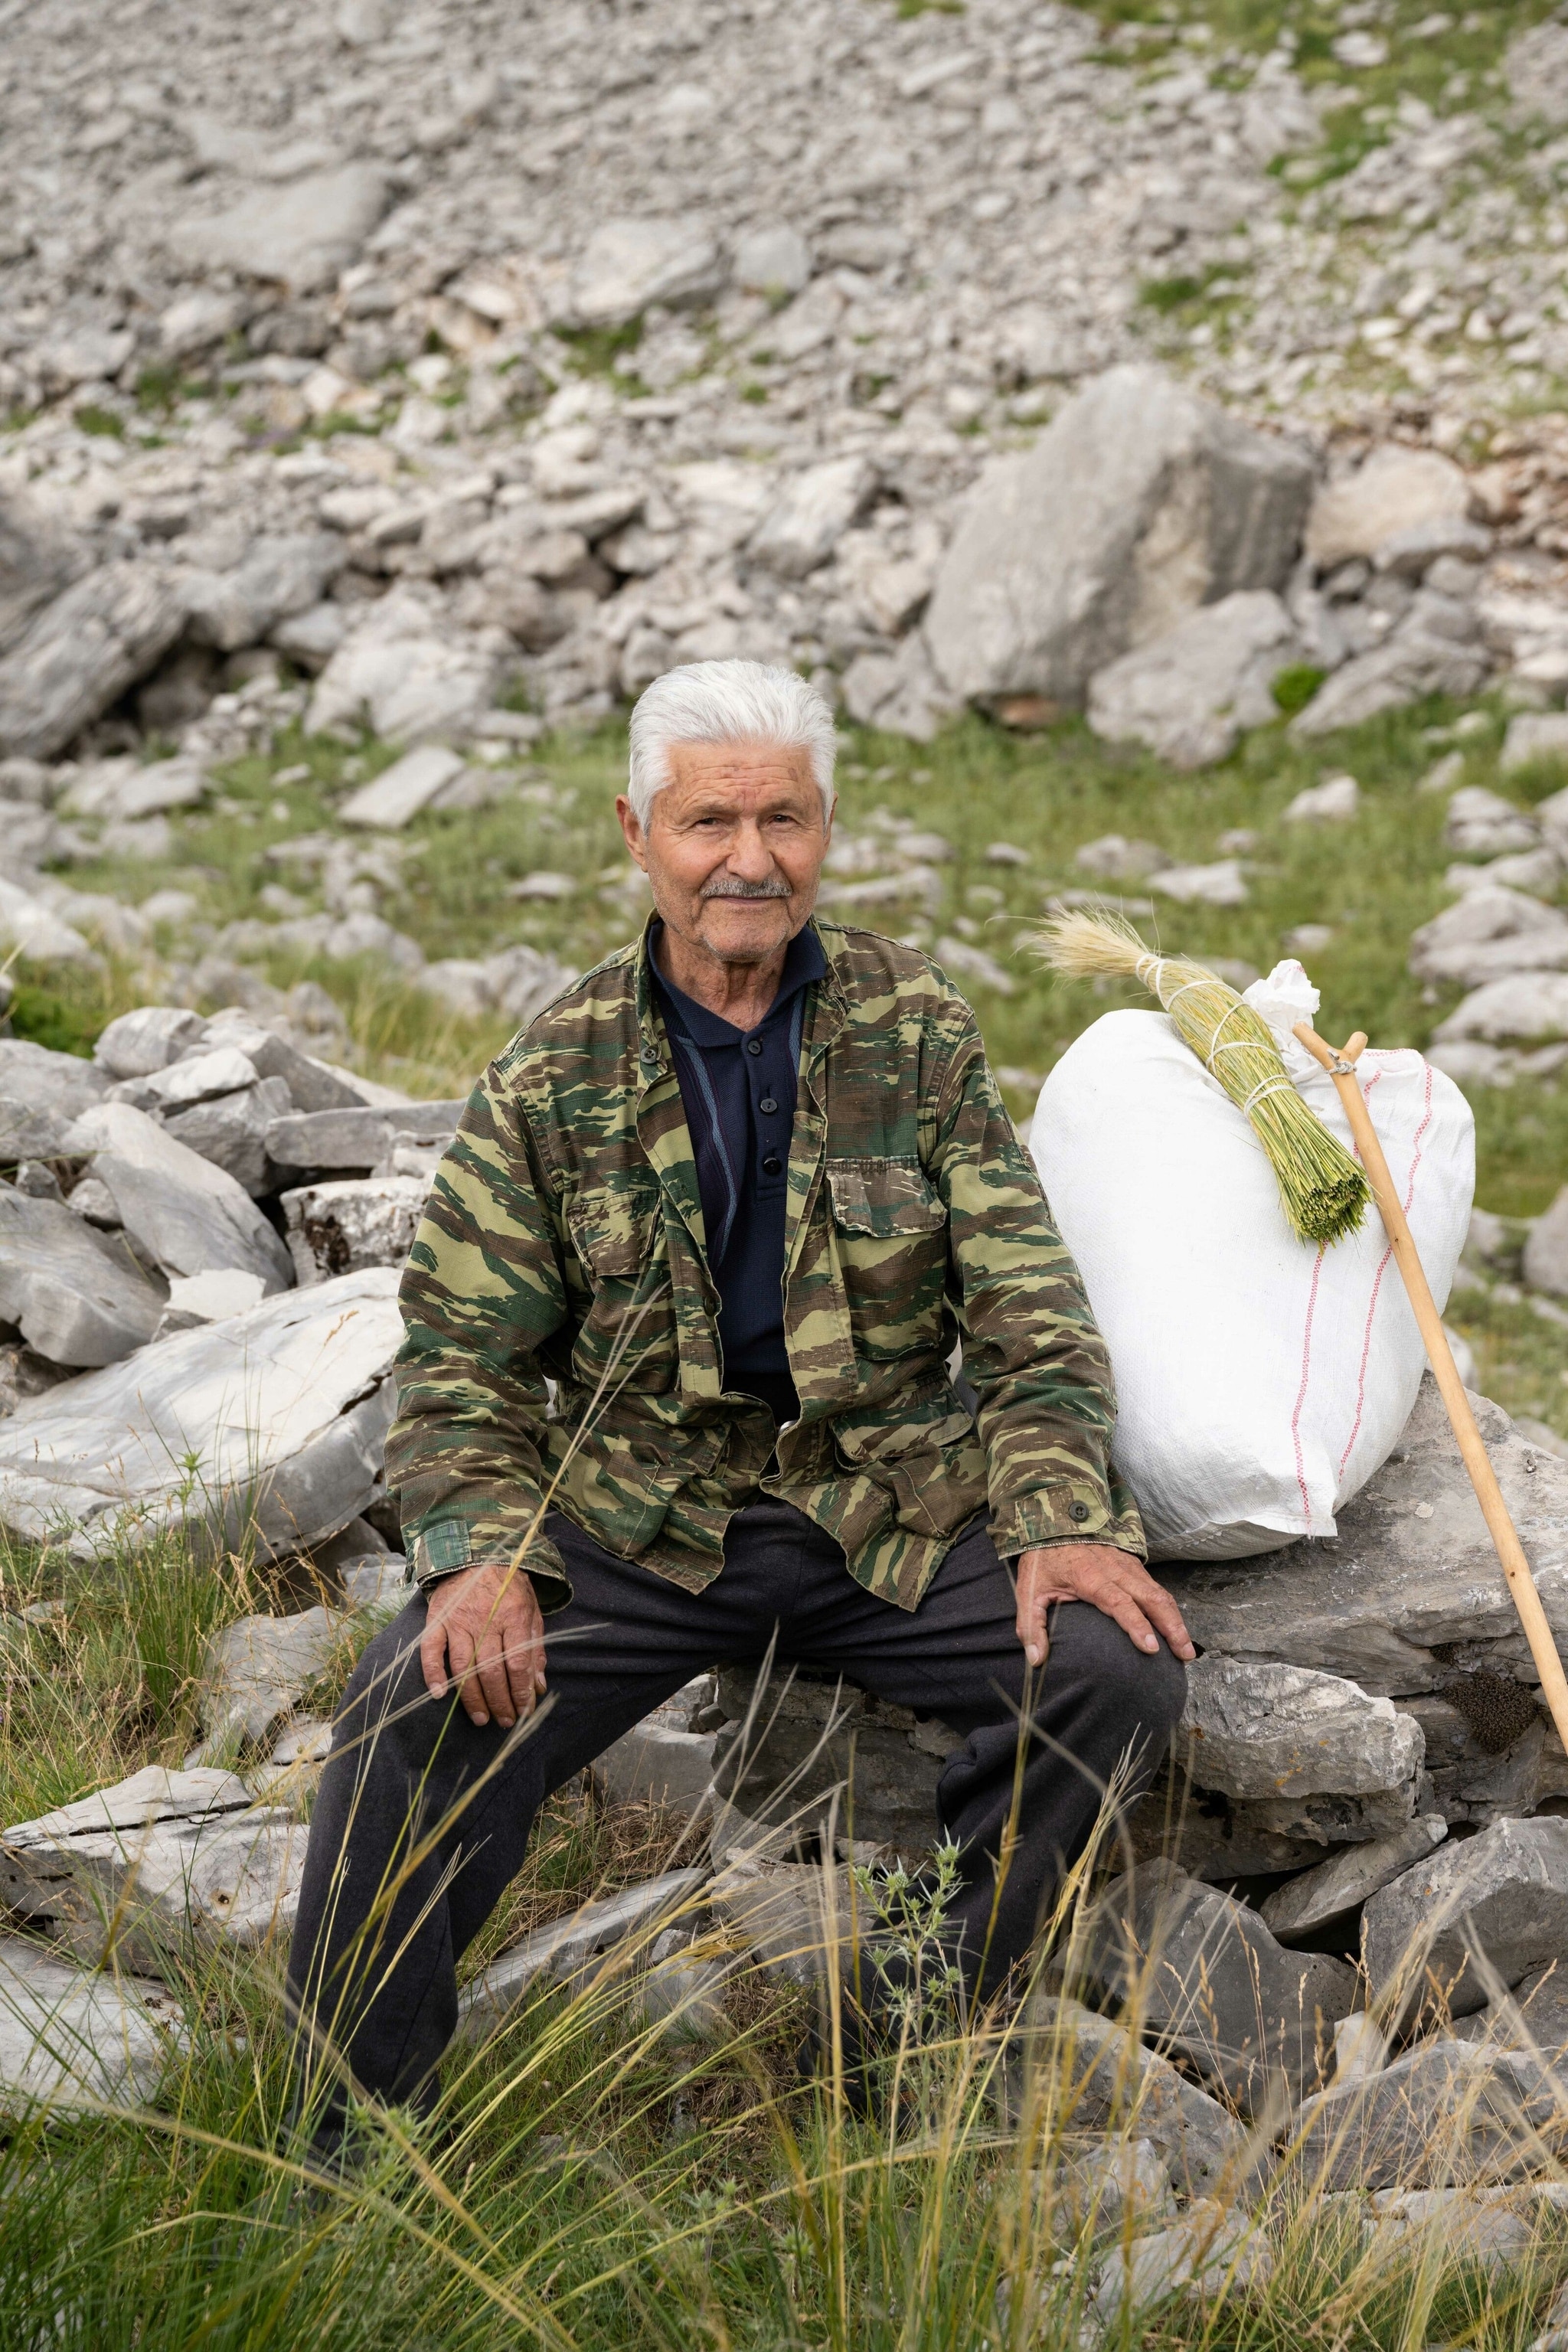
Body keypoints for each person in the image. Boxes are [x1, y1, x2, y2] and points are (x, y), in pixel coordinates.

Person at [286, 657, 1192, 2141]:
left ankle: (907, 2021)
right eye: (709, 821)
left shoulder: (915, 1028)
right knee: (408, 1712)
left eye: (784, 819)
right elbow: (460, 1356)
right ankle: (356, 2146)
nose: (749, 859)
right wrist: (480, 1556)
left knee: (1114, 1667)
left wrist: (1060, 1519)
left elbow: (1029, 1312)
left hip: (888, 1506)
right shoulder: (552, 1072)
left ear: (825, 827)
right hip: (640, 1520)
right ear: (636, 832)